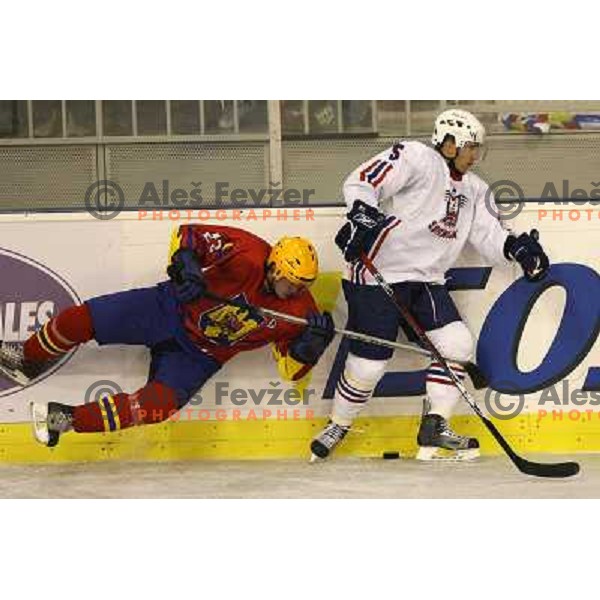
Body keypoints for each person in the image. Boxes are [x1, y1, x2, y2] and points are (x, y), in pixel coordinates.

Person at [311, 108, 549, 461]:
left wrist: (517, 248)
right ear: (449, 143)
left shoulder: (476, 189)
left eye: (477, 148)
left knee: (456, 344)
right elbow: (362, 181)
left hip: (427, 282)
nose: (474, 154)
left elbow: (489, 236)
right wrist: (362, 212)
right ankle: (339, 424)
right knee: (369, 365)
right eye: (470, 146)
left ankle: (434, 426)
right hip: (378, 274)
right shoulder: (417, 158)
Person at [0, 224, 334, 447]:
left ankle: (63, 418)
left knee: (159, 406)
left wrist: (309, 348)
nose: (295, 290)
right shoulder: (246, 250)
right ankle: (27, 358)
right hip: (167, 308)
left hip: (199, 356)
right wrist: (186, 265)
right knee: (81, 319)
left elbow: (290, 373)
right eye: (291, 281)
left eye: (303, 285)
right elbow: (187, 235)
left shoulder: (300, 311)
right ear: (275, 266)